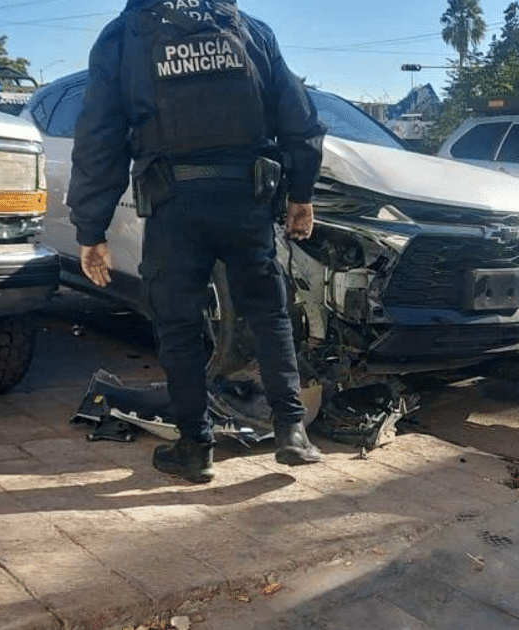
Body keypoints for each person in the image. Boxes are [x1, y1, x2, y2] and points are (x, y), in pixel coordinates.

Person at [67, 0, 327, 484]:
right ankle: (292, 431)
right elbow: (299, 118)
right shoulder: (249, 30)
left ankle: (196, 445)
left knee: (178, 324)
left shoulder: (126, 35)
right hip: (246, 200)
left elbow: (100, 135)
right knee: (268, 314)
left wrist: (91, 229)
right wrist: (301, 194)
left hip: (174, 203)